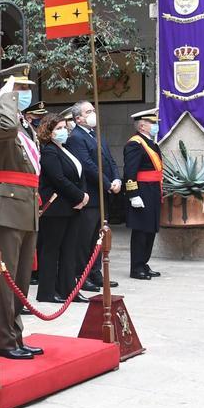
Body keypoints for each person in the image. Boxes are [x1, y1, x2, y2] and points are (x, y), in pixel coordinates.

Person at [0, 64, 43, 360]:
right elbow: (6, 128)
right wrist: (5, 99)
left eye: (26, 89)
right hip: (7, 208)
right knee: (5, 282)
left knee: (20, 280)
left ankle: (15, 335)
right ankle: (4, 341)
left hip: (26, 207)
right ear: (6, 92)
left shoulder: (24, 126)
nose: (25, 94)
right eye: (19, 89)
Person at [65, 100, 121, 291]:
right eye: (88, 111)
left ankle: (95, 273)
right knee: (85, 239)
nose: (93, 114)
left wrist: (117, 180)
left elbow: (110, 160)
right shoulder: (76, 138)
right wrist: (107, 184)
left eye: (93, 110)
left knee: (99, 237)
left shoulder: (97, 135)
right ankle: (82, 274)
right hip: (90, 196)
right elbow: (88, 165)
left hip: (103, 195)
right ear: (78, 118)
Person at [36, 114, 89, 304]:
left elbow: (77, 175)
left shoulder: (65, 150)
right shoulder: (50, 151)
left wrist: (81, 197)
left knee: (69, 250)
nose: (63, 131)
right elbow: (59, 179)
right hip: (56, 208)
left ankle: (68, 289)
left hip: (72, 207)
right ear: (48, 132)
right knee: (51, 250)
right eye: (58, 128)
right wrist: (80, 196)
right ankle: (47, 292)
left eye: (64, 128)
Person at [124, 108, 164, 280]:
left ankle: (144, 263)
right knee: (141, 231)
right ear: (142, 126)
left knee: (150, 230)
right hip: (142, 190)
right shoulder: (135, 144)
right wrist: (133, 194)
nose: (156, 126)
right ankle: (136, 267)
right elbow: (130, 171)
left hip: (153, 190)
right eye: (152, 123)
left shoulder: (151, 143)